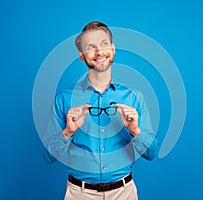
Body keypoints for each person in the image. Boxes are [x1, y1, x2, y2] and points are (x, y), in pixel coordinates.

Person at [43, 21, 160, 200]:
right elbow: (48, 157)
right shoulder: (64, 99)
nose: (99, 52)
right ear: (81, 55)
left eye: (104, 44)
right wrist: (67, 132)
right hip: (79, 194)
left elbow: (152, 154)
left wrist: (135, 131)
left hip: (124, 193)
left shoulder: (134, 97)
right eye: (91, 47)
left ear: (113, 49)